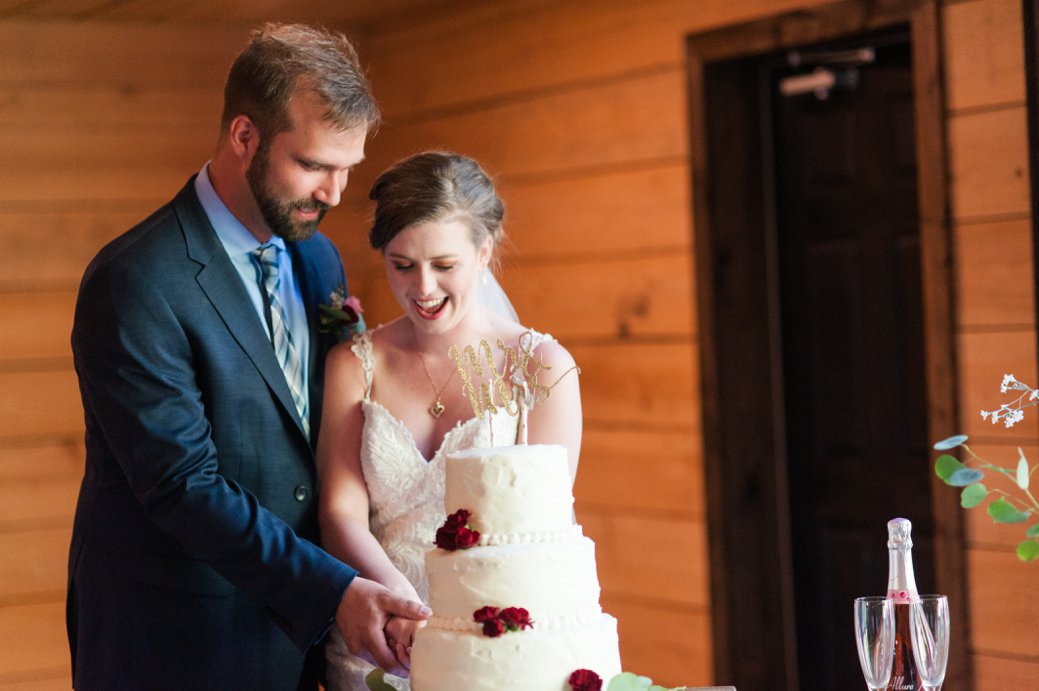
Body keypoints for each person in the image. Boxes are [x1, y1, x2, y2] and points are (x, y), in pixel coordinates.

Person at [67, 23, 429, 690]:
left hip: (295, 636)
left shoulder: (319, 260)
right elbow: (182, 484)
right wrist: (334, 591)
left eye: (347, 168)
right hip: (175, 640)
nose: (334, 193)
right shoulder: (136, 280)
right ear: (244, 136)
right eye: (314, 165)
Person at [317, 152, 583, 689]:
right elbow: (340, 512)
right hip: (379, 637)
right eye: (402, 265)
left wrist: (452, 631)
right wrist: (401, 603)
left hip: (491, 647)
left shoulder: (541, 368)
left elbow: (539, 530)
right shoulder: (355, 365)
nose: (423, 288)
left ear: (483, 252)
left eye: (444, 265)